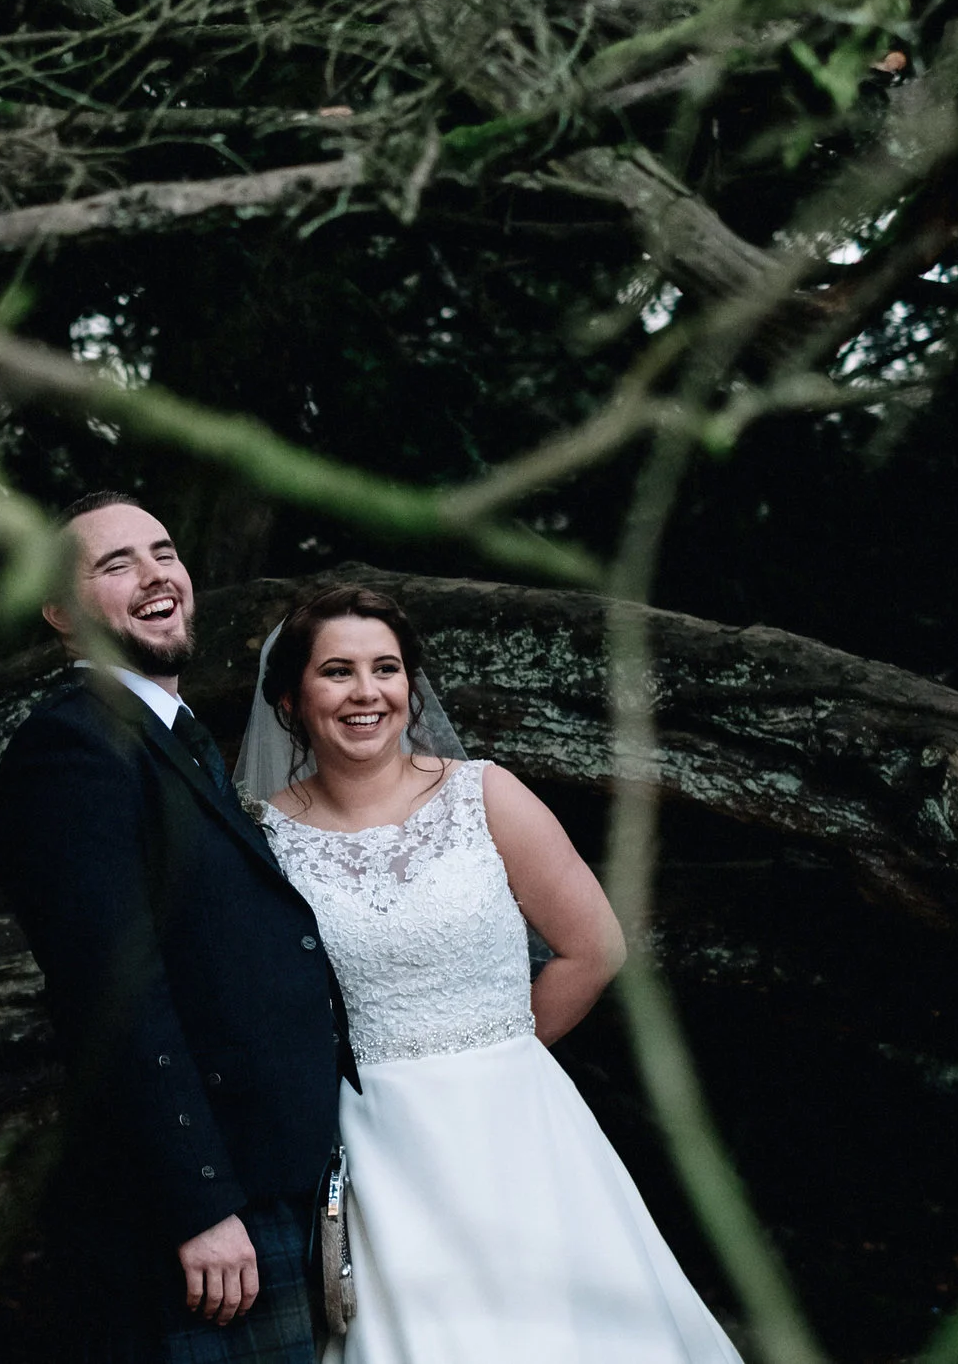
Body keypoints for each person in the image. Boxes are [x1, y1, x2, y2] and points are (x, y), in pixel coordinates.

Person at [237, 584, 744, 1364]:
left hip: (517, 1124)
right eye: (337, 671)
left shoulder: (486, 793)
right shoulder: (261, 837)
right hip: (374, 1144)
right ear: (289, 698)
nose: (367, 691)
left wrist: (499, 1050)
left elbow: (594, 945)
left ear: (411, 685)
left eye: (387, 668)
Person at [0, 493, 354, 1363]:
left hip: (265, 1181)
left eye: (164, 550)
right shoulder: (73, 747)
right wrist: (201, 1202)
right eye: (115, 565)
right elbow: (113, 991)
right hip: (207, 1205)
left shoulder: (175, 738)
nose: (156, 575)